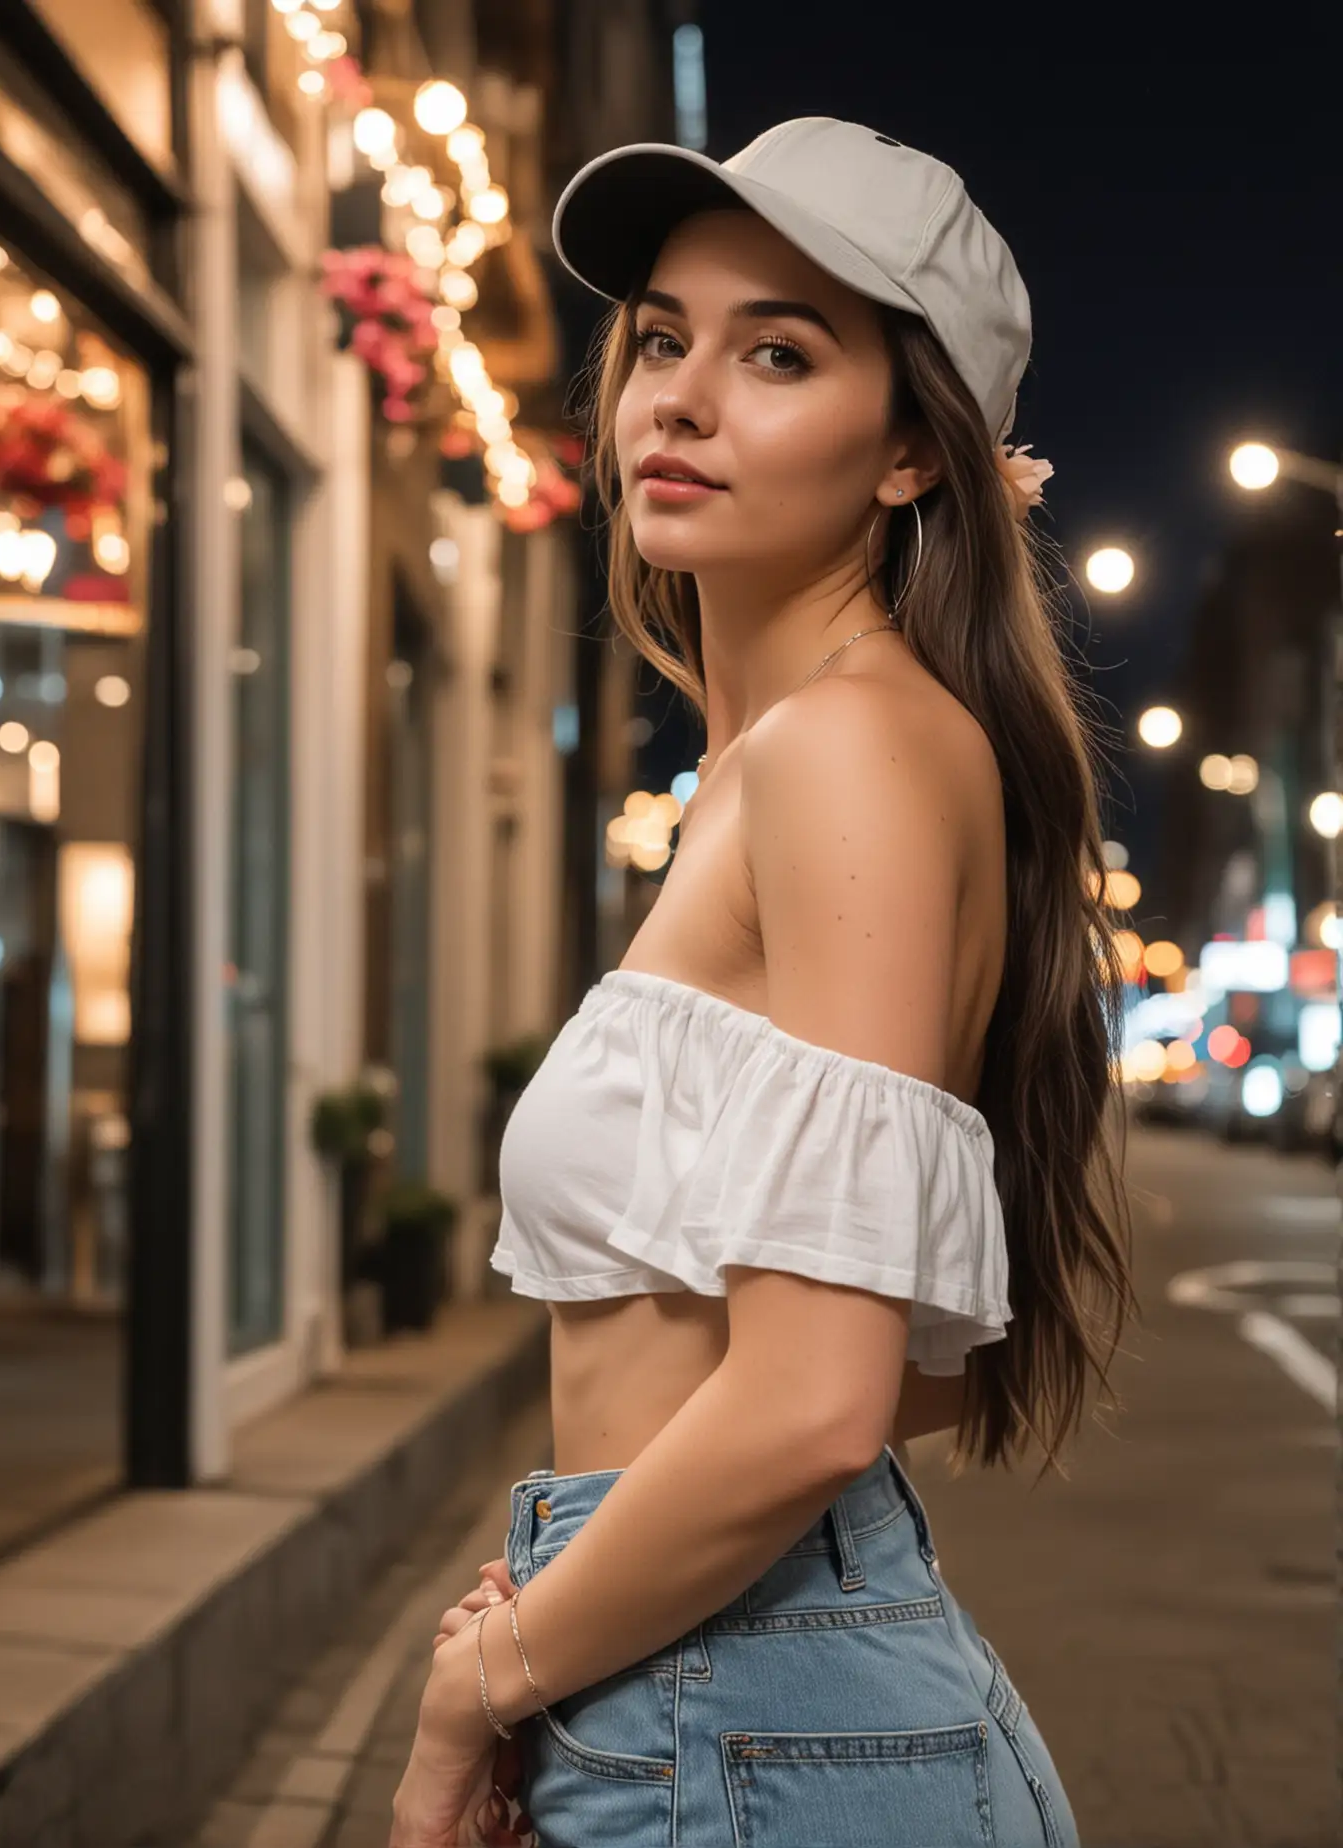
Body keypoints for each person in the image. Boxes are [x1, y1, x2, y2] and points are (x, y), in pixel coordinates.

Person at [393, 116, 1135, 1848]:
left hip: (755, 1726)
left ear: (909, 454)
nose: (683, 397)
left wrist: (473, 1696)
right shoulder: (788, 761)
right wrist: (556, 1601)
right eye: (665, 337)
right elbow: (889, 1359)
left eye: (779, 353)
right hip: (714, 1683)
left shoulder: (849, 753)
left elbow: (816, 1402)